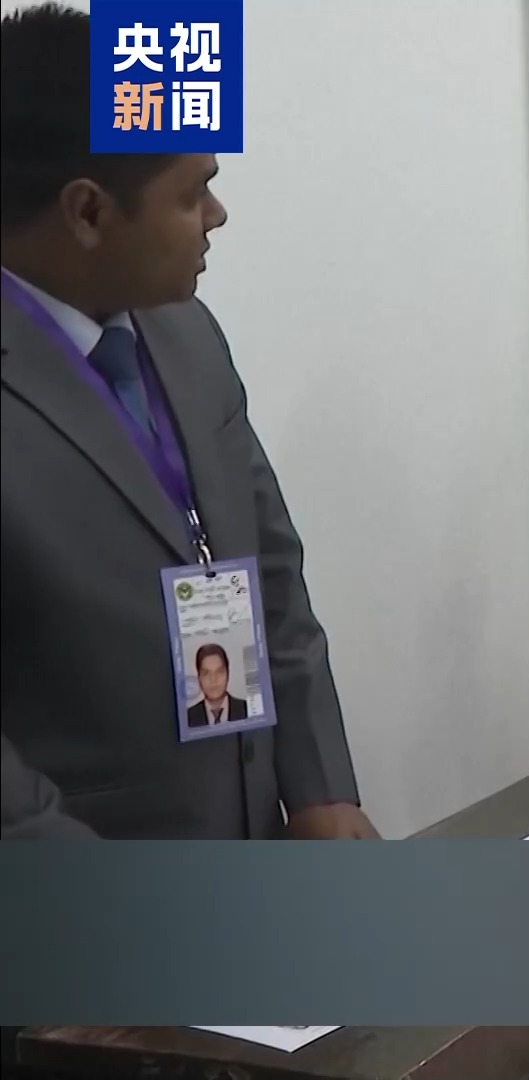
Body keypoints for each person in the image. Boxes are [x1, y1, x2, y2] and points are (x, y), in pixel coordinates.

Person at [0, 3, 375, 841]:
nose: (217, 215)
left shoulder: (186, 333)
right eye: (192, 191)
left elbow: (271, 570)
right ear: (88, 212)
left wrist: (320, 786)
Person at [185, 644, 250, 728]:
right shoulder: (187, 718)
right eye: (206, 673)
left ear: (228, 674)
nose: (213, 679)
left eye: (219, 672)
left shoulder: (248, 710)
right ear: (199, 678)